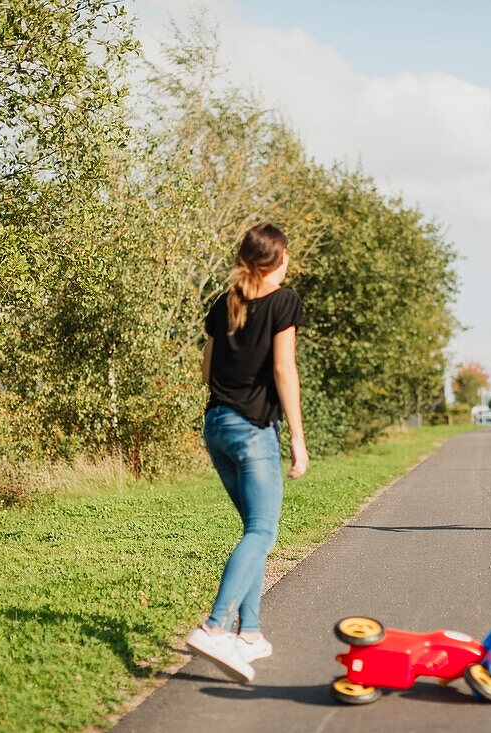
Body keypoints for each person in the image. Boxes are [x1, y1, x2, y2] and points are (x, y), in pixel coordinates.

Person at [185, 222, 308, 683]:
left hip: (216, 425)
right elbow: (283, 368)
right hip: (253, 430)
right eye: (287, 256)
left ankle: (250, 634)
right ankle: (215, 627)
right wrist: (296, 436)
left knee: (253, 532)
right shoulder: (283, 301)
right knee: (262, 531)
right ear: (277, 260)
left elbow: (205, 371)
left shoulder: (224, 304)